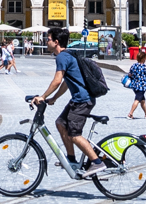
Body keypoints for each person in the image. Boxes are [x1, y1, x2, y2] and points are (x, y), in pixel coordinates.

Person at [33, 27, 104, 174]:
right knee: (60, 123)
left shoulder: (62, 57)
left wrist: (43, 96)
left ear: (56, 42)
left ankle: (96, 162)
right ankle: (71, 159)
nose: (47, 41)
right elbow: (66, 82)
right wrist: (54, 98)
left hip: (83, 101)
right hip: (78, 100)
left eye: (49, 39)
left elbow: (57, 80)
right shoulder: (68, 55)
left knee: (74, 134)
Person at [126, 51, 146, 118]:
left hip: (134, 86)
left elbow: (130, 74)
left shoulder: (134, 65)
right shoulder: (145, 67)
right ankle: (130, 114)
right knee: (137, 100)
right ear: (143, 59)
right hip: (142, 87)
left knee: (142, 100)